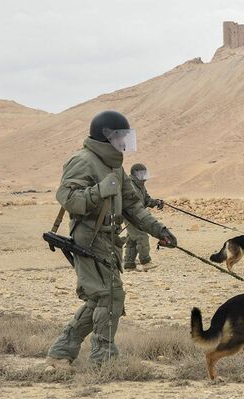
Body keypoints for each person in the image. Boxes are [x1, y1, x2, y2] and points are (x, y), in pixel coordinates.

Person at [45, 110, 177, 370]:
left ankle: (60, 353)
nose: (124, 143)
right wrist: (98, 192)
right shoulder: (83, 160)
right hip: (89, 237)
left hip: (108, 239)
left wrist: (158, 229)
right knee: (110, 296)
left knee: (99, 299)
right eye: (120, 137)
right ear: (106, 136)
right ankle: (103, 360)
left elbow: (132, 205)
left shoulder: (115, 166)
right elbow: (68, 198)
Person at [123, 163, 164, 272]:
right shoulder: (130, 184)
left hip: (138, 215)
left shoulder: (140, 185)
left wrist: (156, 202)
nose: (144, 176)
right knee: (142, 236)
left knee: (132, 238)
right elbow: (129, 203)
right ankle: (145, 261)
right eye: (141, 173)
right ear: (136, 174)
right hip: (131, 216)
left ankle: (129, 264)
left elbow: (146, 200)